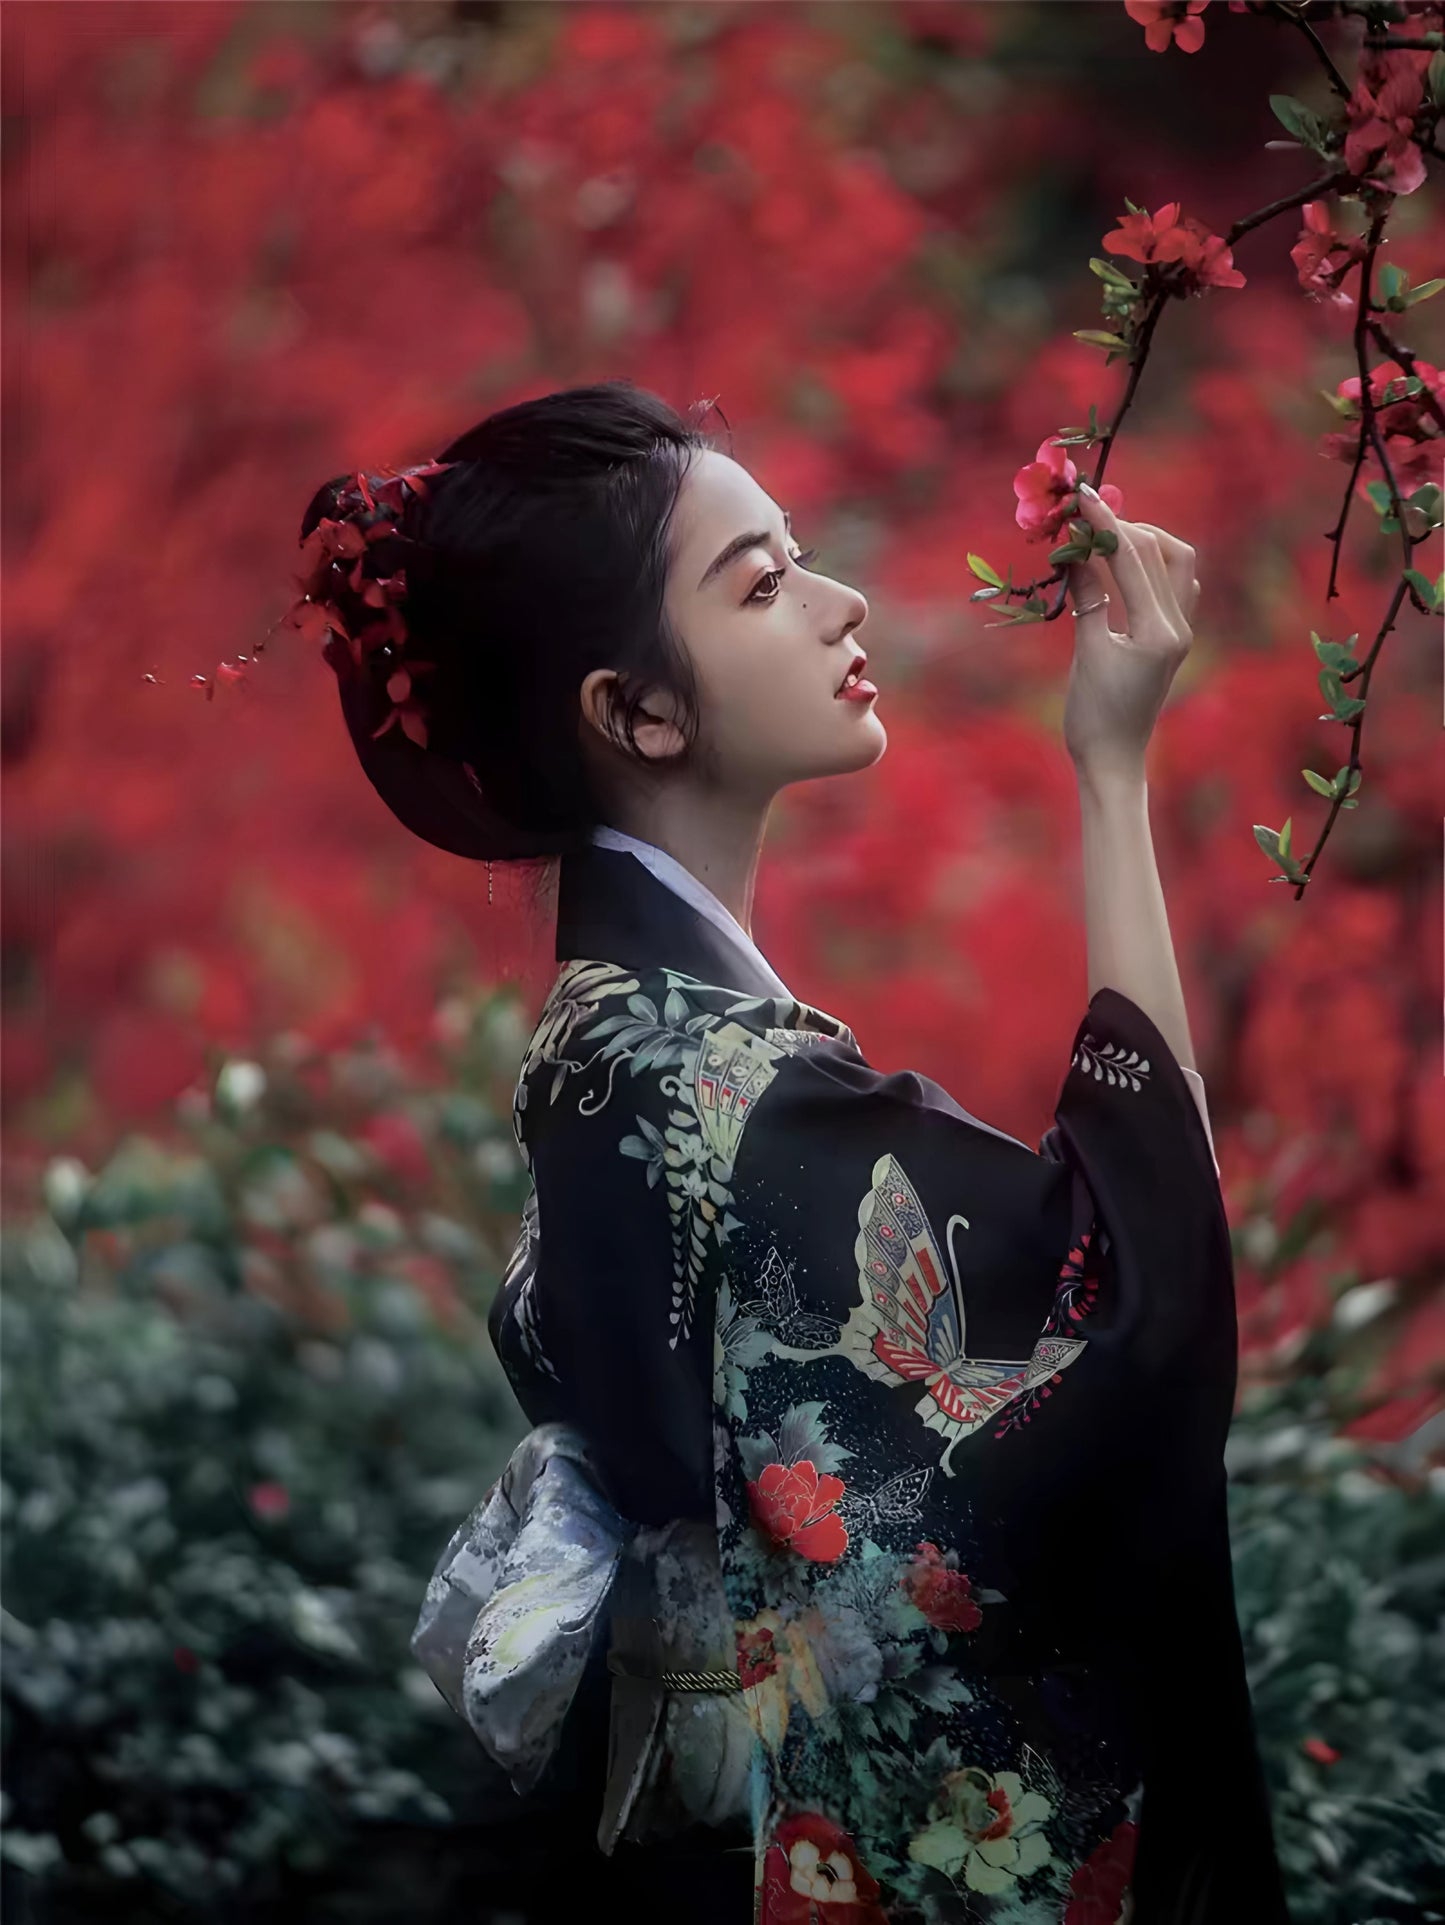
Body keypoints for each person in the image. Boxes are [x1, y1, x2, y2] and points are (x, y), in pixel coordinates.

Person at [294, 381, 1290, 1923]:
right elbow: (1128, 1303)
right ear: (636, 710)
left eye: (801, 553)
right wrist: (1108, 771)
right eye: (759, 585)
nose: (837, 605)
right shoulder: (726, 1082)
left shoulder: (603, 1036)